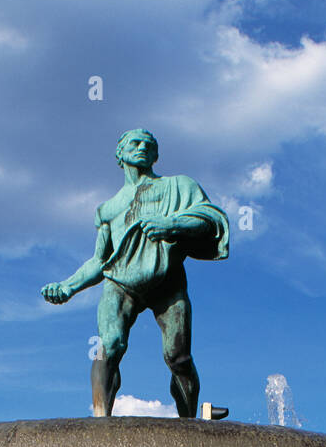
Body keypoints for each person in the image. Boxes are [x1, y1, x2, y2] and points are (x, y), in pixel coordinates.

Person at [41, 129, 229, 418]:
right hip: (121, 283)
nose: (142, 148)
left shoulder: (179, 185)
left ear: (156, 155)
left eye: (149, 145)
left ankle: (191, 422)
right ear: (120, 154)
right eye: (135, 143)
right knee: (110, 346)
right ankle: (101, 420)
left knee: (178, 357)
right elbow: (100, 262)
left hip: (167, 279)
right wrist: (67, 287)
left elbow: (210, 218)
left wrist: (173, 224)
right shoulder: (107, 209)